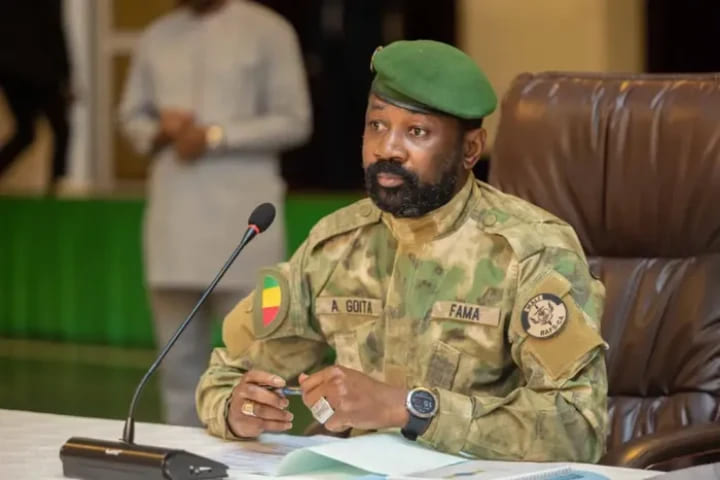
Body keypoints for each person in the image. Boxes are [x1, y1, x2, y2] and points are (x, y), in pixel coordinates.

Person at [196, 40, 608, 461]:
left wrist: (410, 410)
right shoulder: (335, 245)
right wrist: (237, 410)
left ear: (470, 150)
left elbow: (578, 427)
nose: (387, 149)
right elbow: (226, 375)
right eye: (377, 125)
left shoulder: (530, 250)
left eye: (416, 132)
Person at [118, 0, 311, 426]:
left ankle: (249, 455)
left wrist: (216, 136)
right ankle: (178, 454)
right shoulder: (157, 36)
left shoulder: (269, 29)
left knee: (255, 364)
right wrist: (160, 130)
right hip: (174, 221)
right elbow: (132, 118)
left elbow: (295, 120)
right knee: (177, 369)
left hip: (244, 223)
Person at [0, 1, 71, 186]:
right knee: (61, 129)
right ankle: (59, 183)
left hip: (12, 72)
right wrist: (66, 78)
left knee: (26, 133)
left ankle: (58, 182)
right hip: (40, 73)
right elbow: (56, 34)